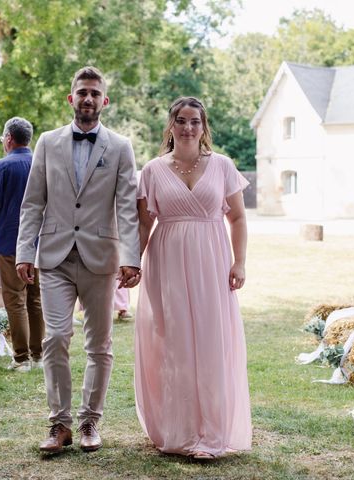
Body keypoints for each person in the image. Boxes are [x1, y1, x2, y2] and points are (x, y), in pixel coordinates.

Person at [16, 66, 141, 453]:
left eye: (95, 93)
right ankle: (59, 425)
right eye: (82, 92)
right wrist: (25, 250)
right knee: (54, 337)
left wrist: (131, 257)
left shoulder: (120, 147)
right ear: (71, 98)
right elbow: (33, 200)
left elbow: (127, 207)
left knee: (99, 345)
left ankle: (89, 422)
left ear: (105, 101)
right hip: (53, 257)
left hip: (101, 257)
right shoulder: (48, 143)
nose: (88, 99)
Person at [134, 97, 252, 459]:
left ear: (204, 127)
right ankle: (178, 430)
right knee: (173, 343)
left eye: (195, 122)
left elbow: (238, 219)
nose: (188, 128)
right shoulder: (152, 170)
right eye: (181, 121)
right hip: (166, 261)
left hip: (212, 260)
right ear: (171, 125)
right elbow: (143, 223)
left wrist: (239, 263)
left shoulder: (223, 165)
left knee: (211, 341)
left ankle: (212, 435)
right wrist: (132, 264)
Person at [0, 117, 44, 372]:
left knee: (15, 298)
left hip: (11, 239)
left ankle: (21, 357)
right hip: (42, 240)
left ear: (9, 138)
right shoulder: (43, 163)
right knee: (36, 298)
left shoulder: (2, 166)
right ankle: (39, 355)